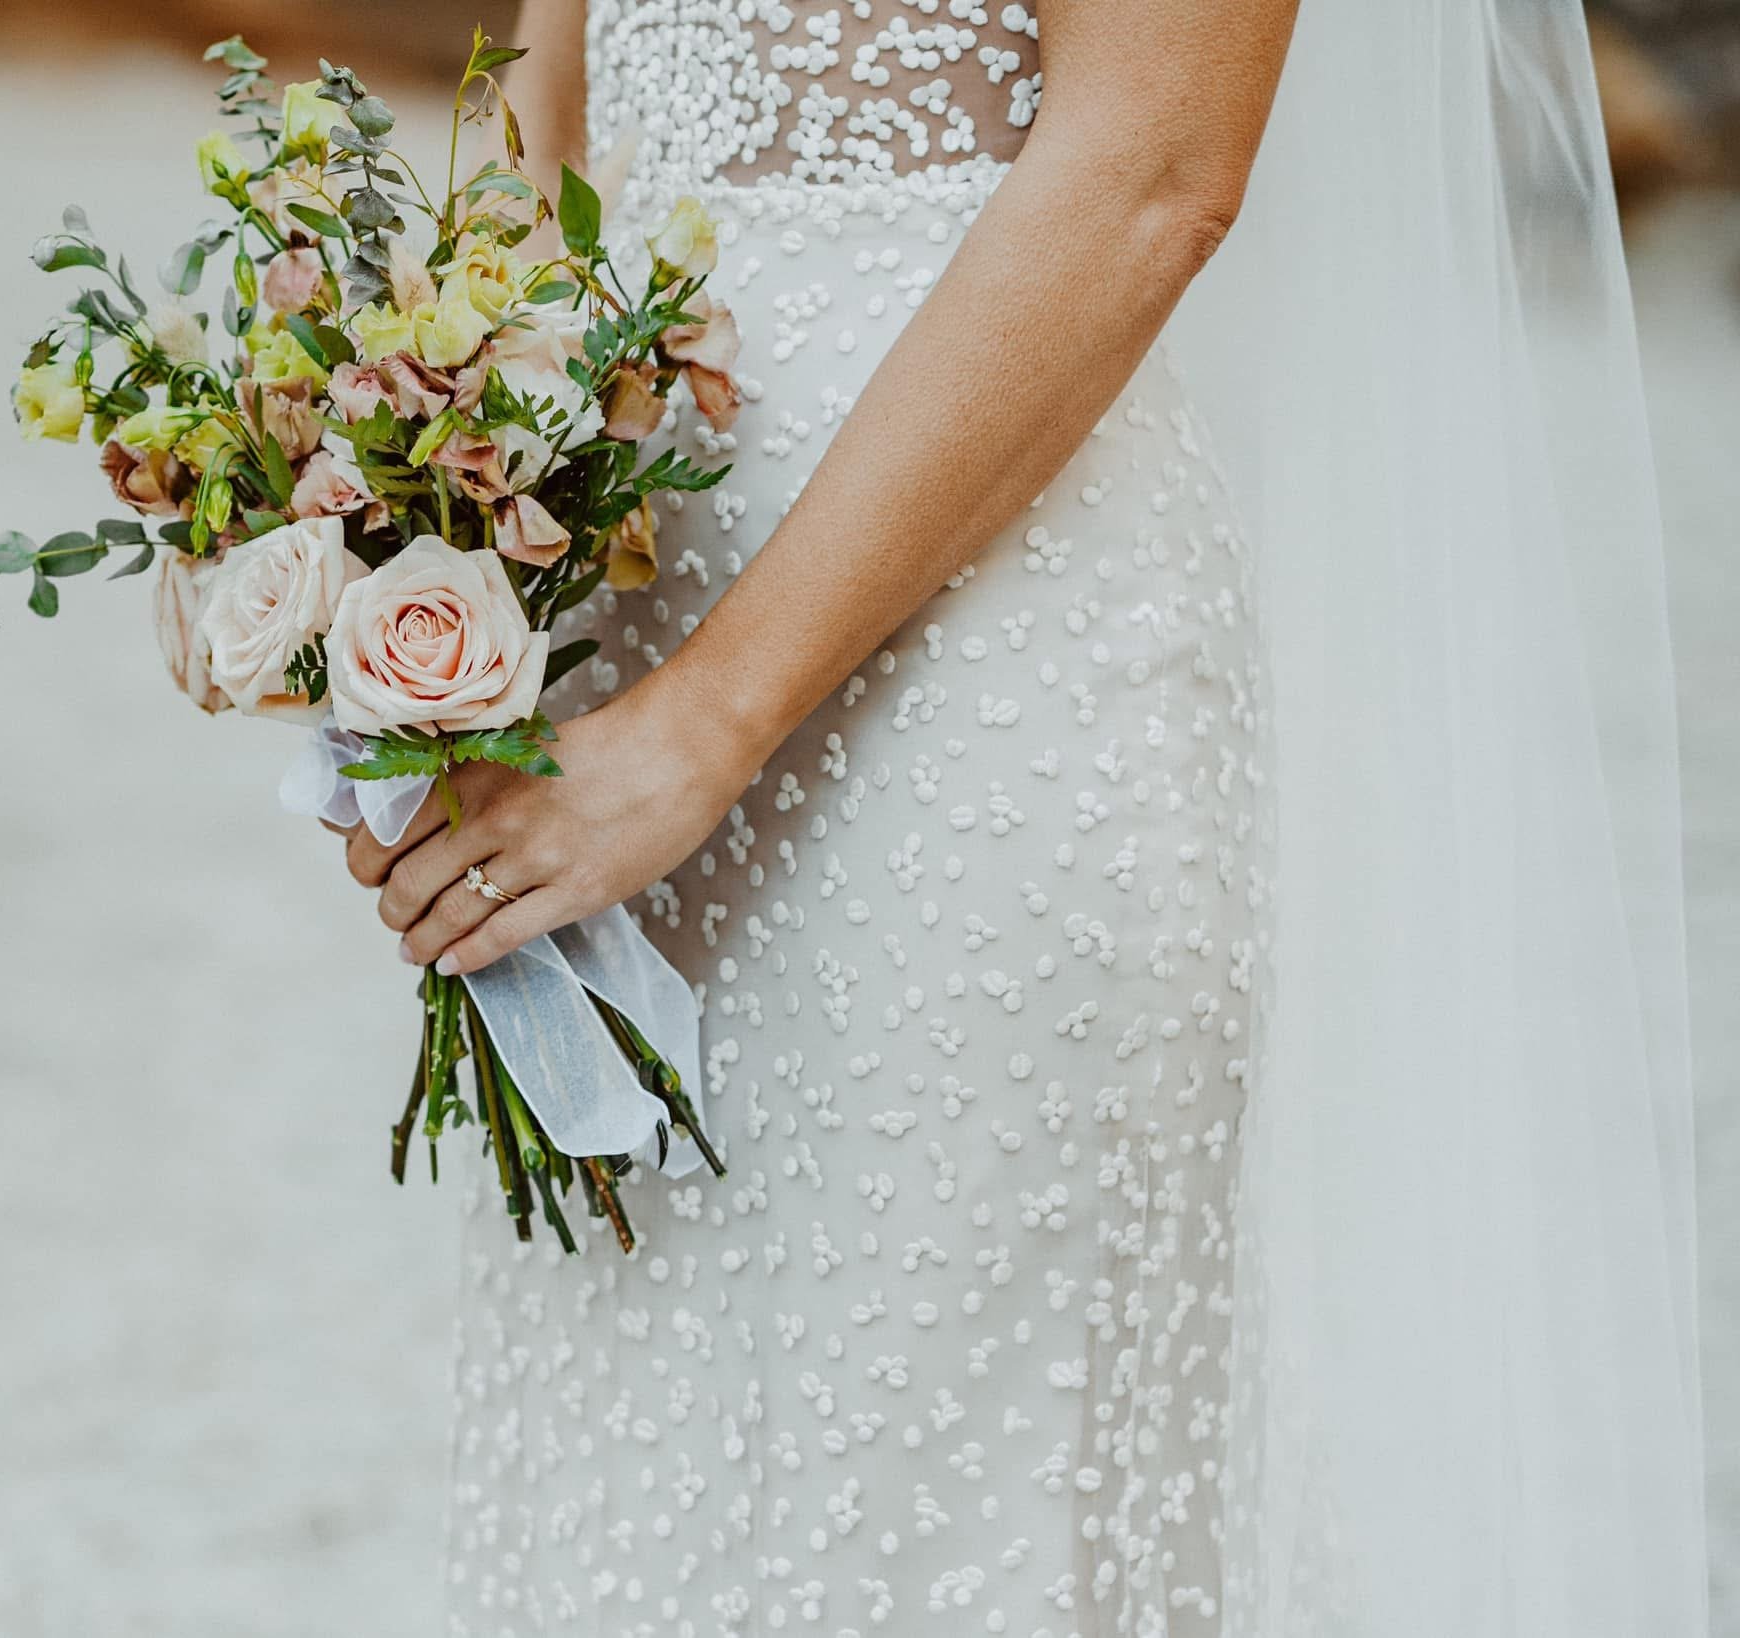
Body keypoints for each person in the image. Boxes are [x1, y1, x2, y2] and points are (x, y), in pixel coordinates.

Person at [335, 3, 1707, 1631]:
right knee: (649, 1488)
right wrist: (431, 546)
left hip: (985, 704)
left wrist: (702, 724)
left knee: (960, 1503)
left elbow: (1155, 174)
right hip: (611, 647)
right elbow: (535, 95)